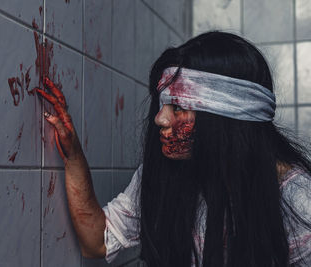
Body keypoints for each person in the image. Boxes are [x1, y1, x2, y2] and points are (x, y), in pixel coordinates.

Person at [36, 31, 311, 267]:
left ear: (226, 119)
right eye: (162, 105)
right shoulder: (164, 174)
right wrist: (73, 155)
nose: (160, 118)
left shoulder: (297, 200)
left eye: (178, 107)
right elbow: (97, 241)